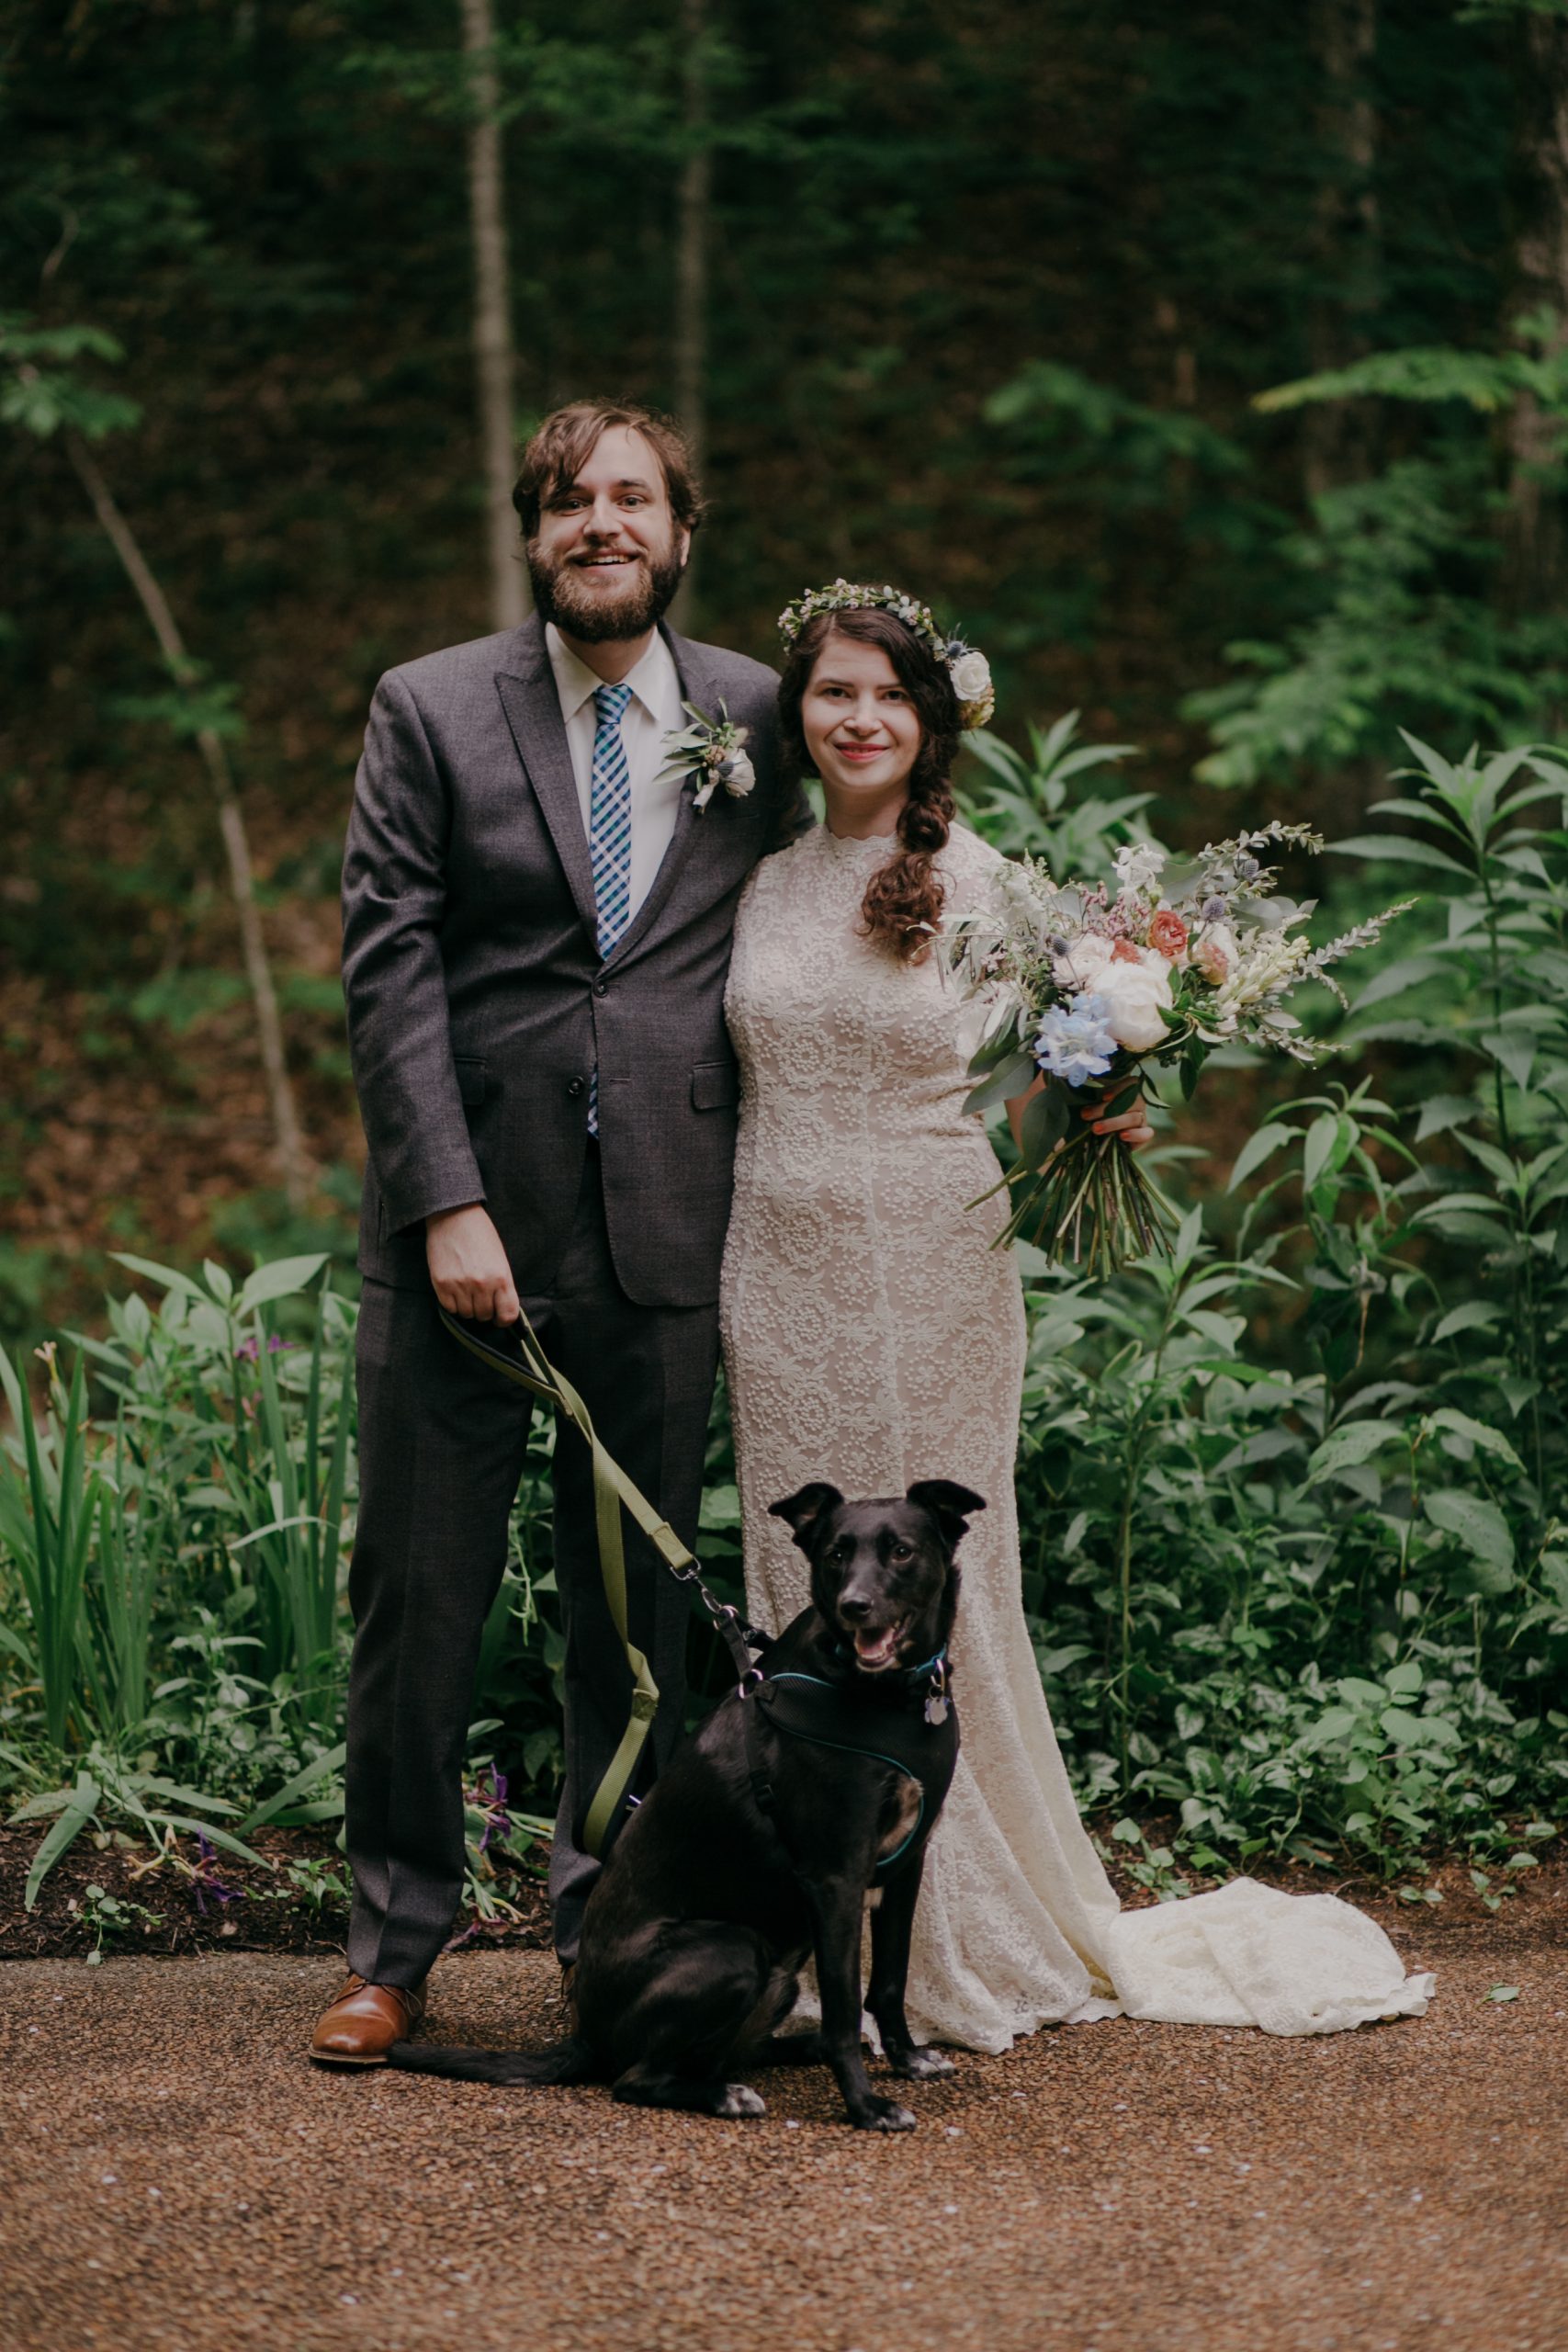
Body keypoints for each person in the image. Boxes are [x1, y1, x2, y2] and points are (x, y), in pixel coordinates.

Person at [720, 582, 1435, 2049]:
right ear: (798, 714)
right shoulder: (763, 877)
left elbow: (1071, 1057)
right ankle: (812, 1933)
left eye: (888, 697)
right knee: (802, 1585)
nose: (859, 719)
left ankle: (954, 1931)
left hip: (930, 1258)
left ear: (932, 723)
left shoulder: (989, 885)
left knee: (922, 1586)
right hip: (771, 1268)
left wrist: (1103, 1097)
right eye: (834, 692)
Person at [315, 400, 807, 2065]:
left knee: (636, 1629)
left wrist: (1076, 1023)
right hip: (465, 1241)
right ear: (536, 535)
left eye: (633, 499)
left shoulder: (758, 708)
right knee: (420, 1601)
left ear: (682, 529)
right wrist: (444, 1197)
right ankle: (394, 1948)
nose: (602, 525)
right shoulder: (433, 709)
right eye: (571, 503)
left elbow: (891, 856)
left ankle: (608, 1924)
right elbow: (387, 972)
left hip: (669, 1233)